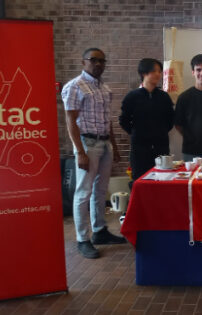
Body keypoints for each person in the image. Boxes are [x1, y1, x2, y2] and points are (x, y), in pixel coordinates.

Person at [62, 47, 126, 259]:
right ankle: (83, 239)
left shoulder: (104, 88)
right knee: (84, 192)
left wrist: (114, 147)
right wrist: (80, 152)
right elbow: (70, 121)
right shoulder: (74, 86)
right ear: (83, 62)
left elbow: (107, 121)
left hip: (105, 144)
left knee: (100, 190)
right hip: (87, 144)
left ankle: (99, 231)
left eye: (102, 61)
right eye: (93, 60)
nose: (98, 64)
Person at [119, 58, 174, 181]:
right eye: (154, 71)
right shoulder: (132, 96)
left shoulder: (164, 97)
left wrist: (161, 132)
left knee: (163, 180)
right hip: (140, 149)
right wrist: (136, 133)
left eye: (160, 71)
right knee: (140, 181)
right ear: (143, 73)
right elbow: (123, 120)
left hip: (161, 148)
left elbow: (171, 120)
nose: (158, 74)